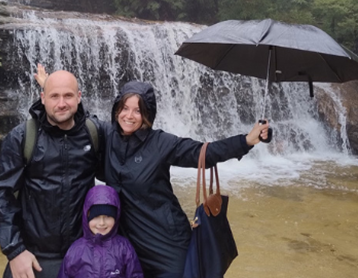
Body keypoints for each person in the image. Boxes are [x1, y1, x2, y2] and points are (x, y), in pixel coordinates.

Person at [100, 81, 268, 278]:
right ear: (117, 109)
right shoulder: (107, 136)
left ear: (147, 114)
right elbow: (79, 123)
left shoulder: (161, 143)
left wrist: (245, 141)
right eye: (125, 108)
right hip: (132, 247)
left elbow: (203, 153)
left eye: (137, 110)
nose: (129, 116)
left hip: (167, 244)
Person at [0, 70, 103, 278]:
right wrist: (15, 251)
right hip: (33, 257)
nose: (61, 103)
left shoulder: (94, 133)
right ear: (43, 98)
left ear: (79, 97)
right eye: (54, 96)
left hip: (82, 255)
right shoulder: (22, 137)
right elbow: (0, 195)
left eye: (68, 96)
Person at [58, 184, 143, 278]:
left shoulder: (124, 247)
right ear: (87, 217)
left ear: (116, 217)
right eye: (96, 217)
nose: (102, 223)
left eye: (108, 216)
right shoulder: (76, 249)